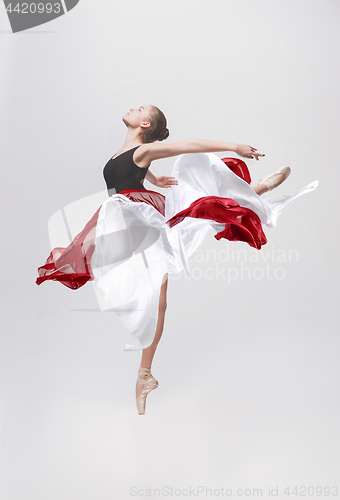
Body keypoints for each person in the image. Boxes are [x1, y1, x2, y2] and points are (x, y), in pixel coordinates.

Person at [36, 104, 318, 415]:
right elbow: (130, 172)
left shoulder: (141, 151)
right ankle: (255, 191)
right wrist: (155, 180)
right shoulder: (127, 154)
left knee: (163, 283)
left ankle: (144, 374)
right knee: (161, 264)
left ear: (144, 124)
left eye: (141, 108)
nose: (134, 107)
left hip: (135, 214)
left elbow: (186, 146)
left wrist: (233, 146)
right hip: (127, 213)